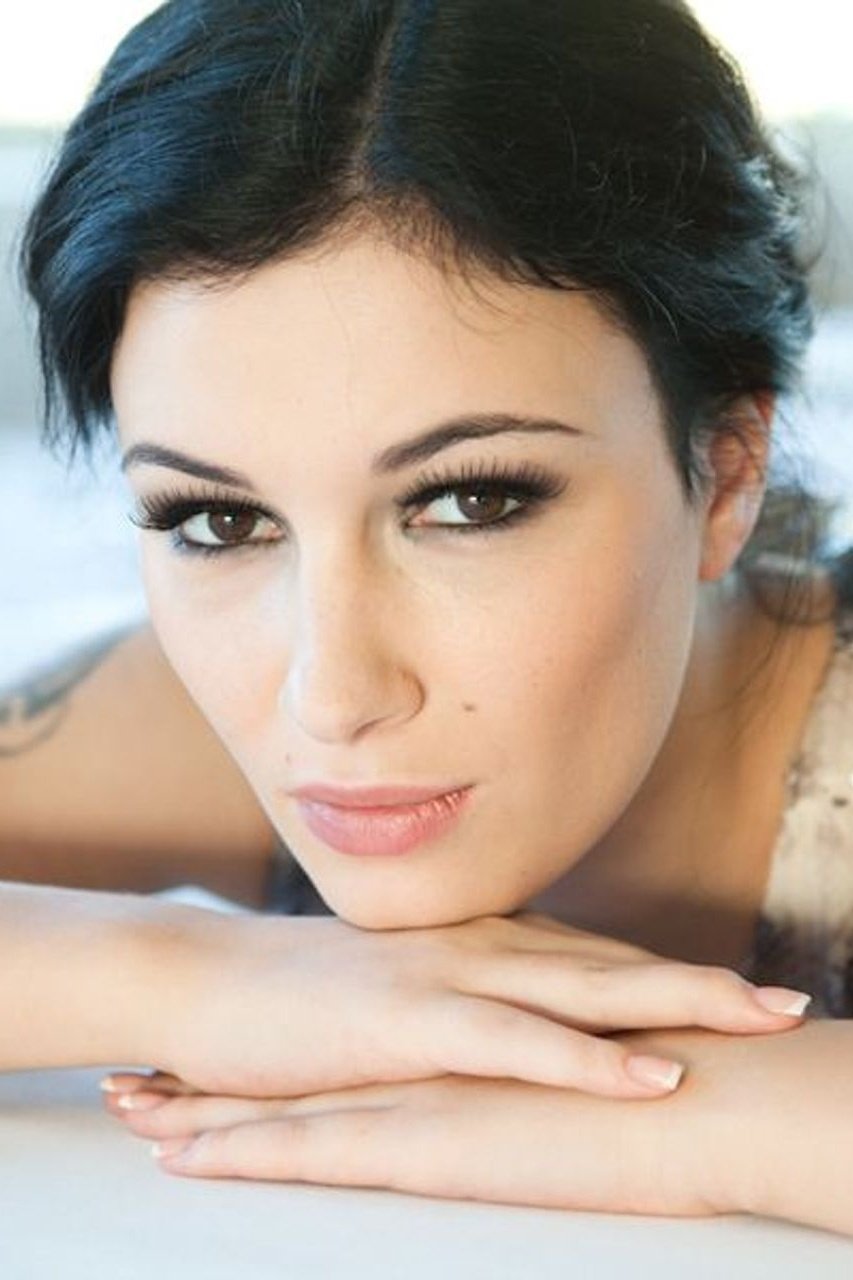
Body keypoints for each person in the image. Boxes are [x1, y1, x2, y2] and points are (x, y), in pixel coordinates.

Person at [4, 0, 853, 1233]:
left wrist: (706, 1104)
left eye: (469, 501)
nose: (331, 694)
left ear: (724, 472)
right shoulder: (199, 715)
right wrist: (197, 976)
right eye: (220, 520)